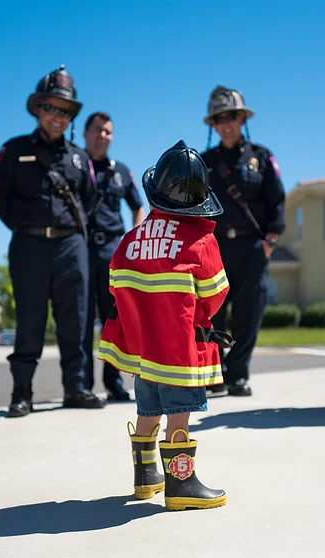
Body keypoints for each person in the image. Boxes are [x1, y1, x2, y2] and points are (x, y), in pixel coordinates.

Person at [98, 140, 233, 511]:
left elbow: (115, 287)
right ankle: (181, 483)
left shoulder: (131, 239)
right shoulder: (200, 240)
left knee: (146, 410)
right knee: (179, 413)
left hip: (143, 354)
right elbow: (215, 294)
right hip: (179, 352)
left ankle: (146, 479)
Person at [0, 65, 106, 417]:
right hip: (29, 246)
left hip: (71, 247)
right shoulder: (13, 150)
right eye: (51, 107)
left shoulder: (79, 157)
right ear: (38, 108)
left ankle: (77, 388)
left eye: (65, 110)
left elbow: (92, 198)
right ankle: (21, 393)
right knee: (30, 320)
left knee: (77, 320)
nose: (57, 116)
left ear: (71, 116)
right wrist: (25, 225)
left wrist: (73, 229)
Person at [200, 85, 286, 397]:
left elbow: (277, 200)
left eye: (232, 117)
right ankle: (216, 373)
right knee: (212, 315)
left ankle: (238, 374)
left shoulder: (262, 158)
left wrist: (271, 240)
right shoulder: (204, 163)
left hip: (252, 247)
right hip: (215, 249)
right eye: (219, 118)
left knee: (249, 313)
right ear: (213, 124)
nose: (226, 124)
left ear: (242, 118)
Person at [81, 111, 146, 401]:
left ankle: (114, 382)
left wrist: (134, 241)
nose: (103, 136)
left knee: (114, 320)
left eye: (108, 132)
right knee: (80, 319)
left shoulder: (120, 169)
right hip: (80, 249)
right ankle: (81, 384)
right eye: (98, 130)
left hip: (112, 249)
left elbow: (137, 206)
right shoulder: (74, 163)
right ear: (85, 133)